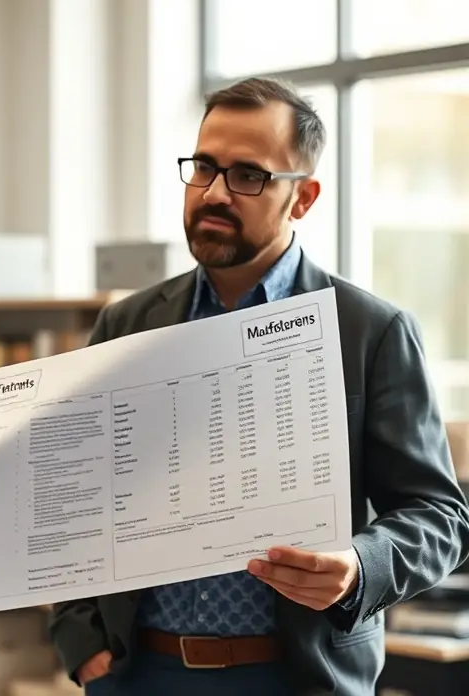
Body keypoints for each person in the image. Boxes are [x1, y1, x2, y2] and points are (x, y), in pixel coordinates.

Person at [49, 76, 469, 695]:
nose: (214, 193)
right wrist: (81, 641)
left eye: (248, 175)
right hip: (140, 673)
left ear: (302, 199)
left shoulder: (370, 331)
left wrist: (358, 567)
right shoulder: (127, 324)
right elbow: (75, 494)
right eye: (204, 167)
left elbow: (439, 516)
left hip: (297, 675)